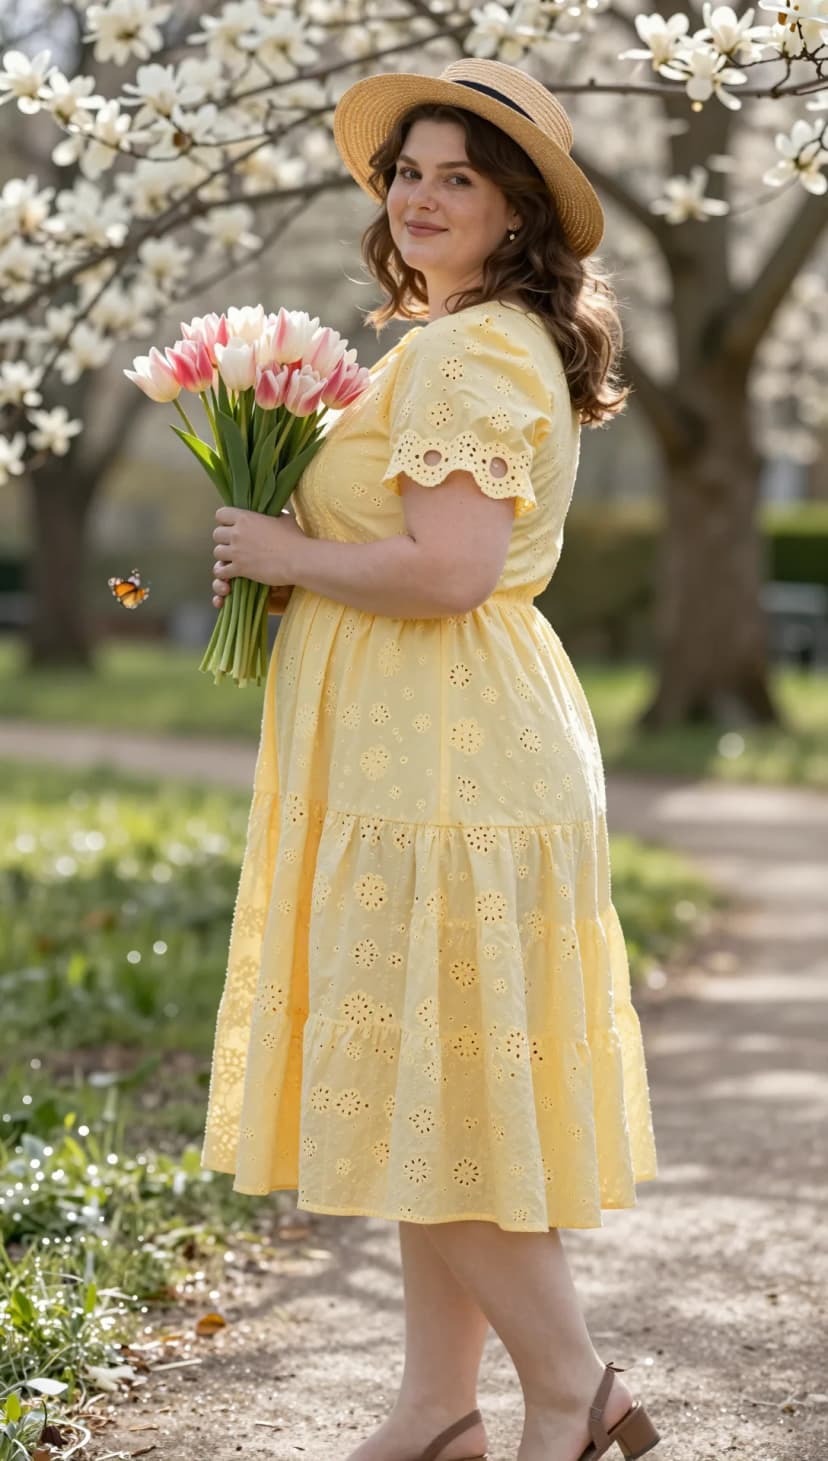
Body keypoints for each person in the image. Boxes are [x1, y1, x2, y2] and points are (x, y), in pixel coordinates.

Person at [201, 57, 661, 1461]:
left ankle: (576, 1388)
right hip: (450, 741)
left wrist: (286, 550)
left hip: (444, 759)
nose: (420, 195)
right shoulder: (472, 339)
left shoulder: (465, 354)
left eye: (460, 175)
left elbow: (451, 571)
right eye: (409, 171)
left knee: (434, 1091)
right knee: (441, 1083)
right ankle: (435, 1406)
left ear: (519, 211)